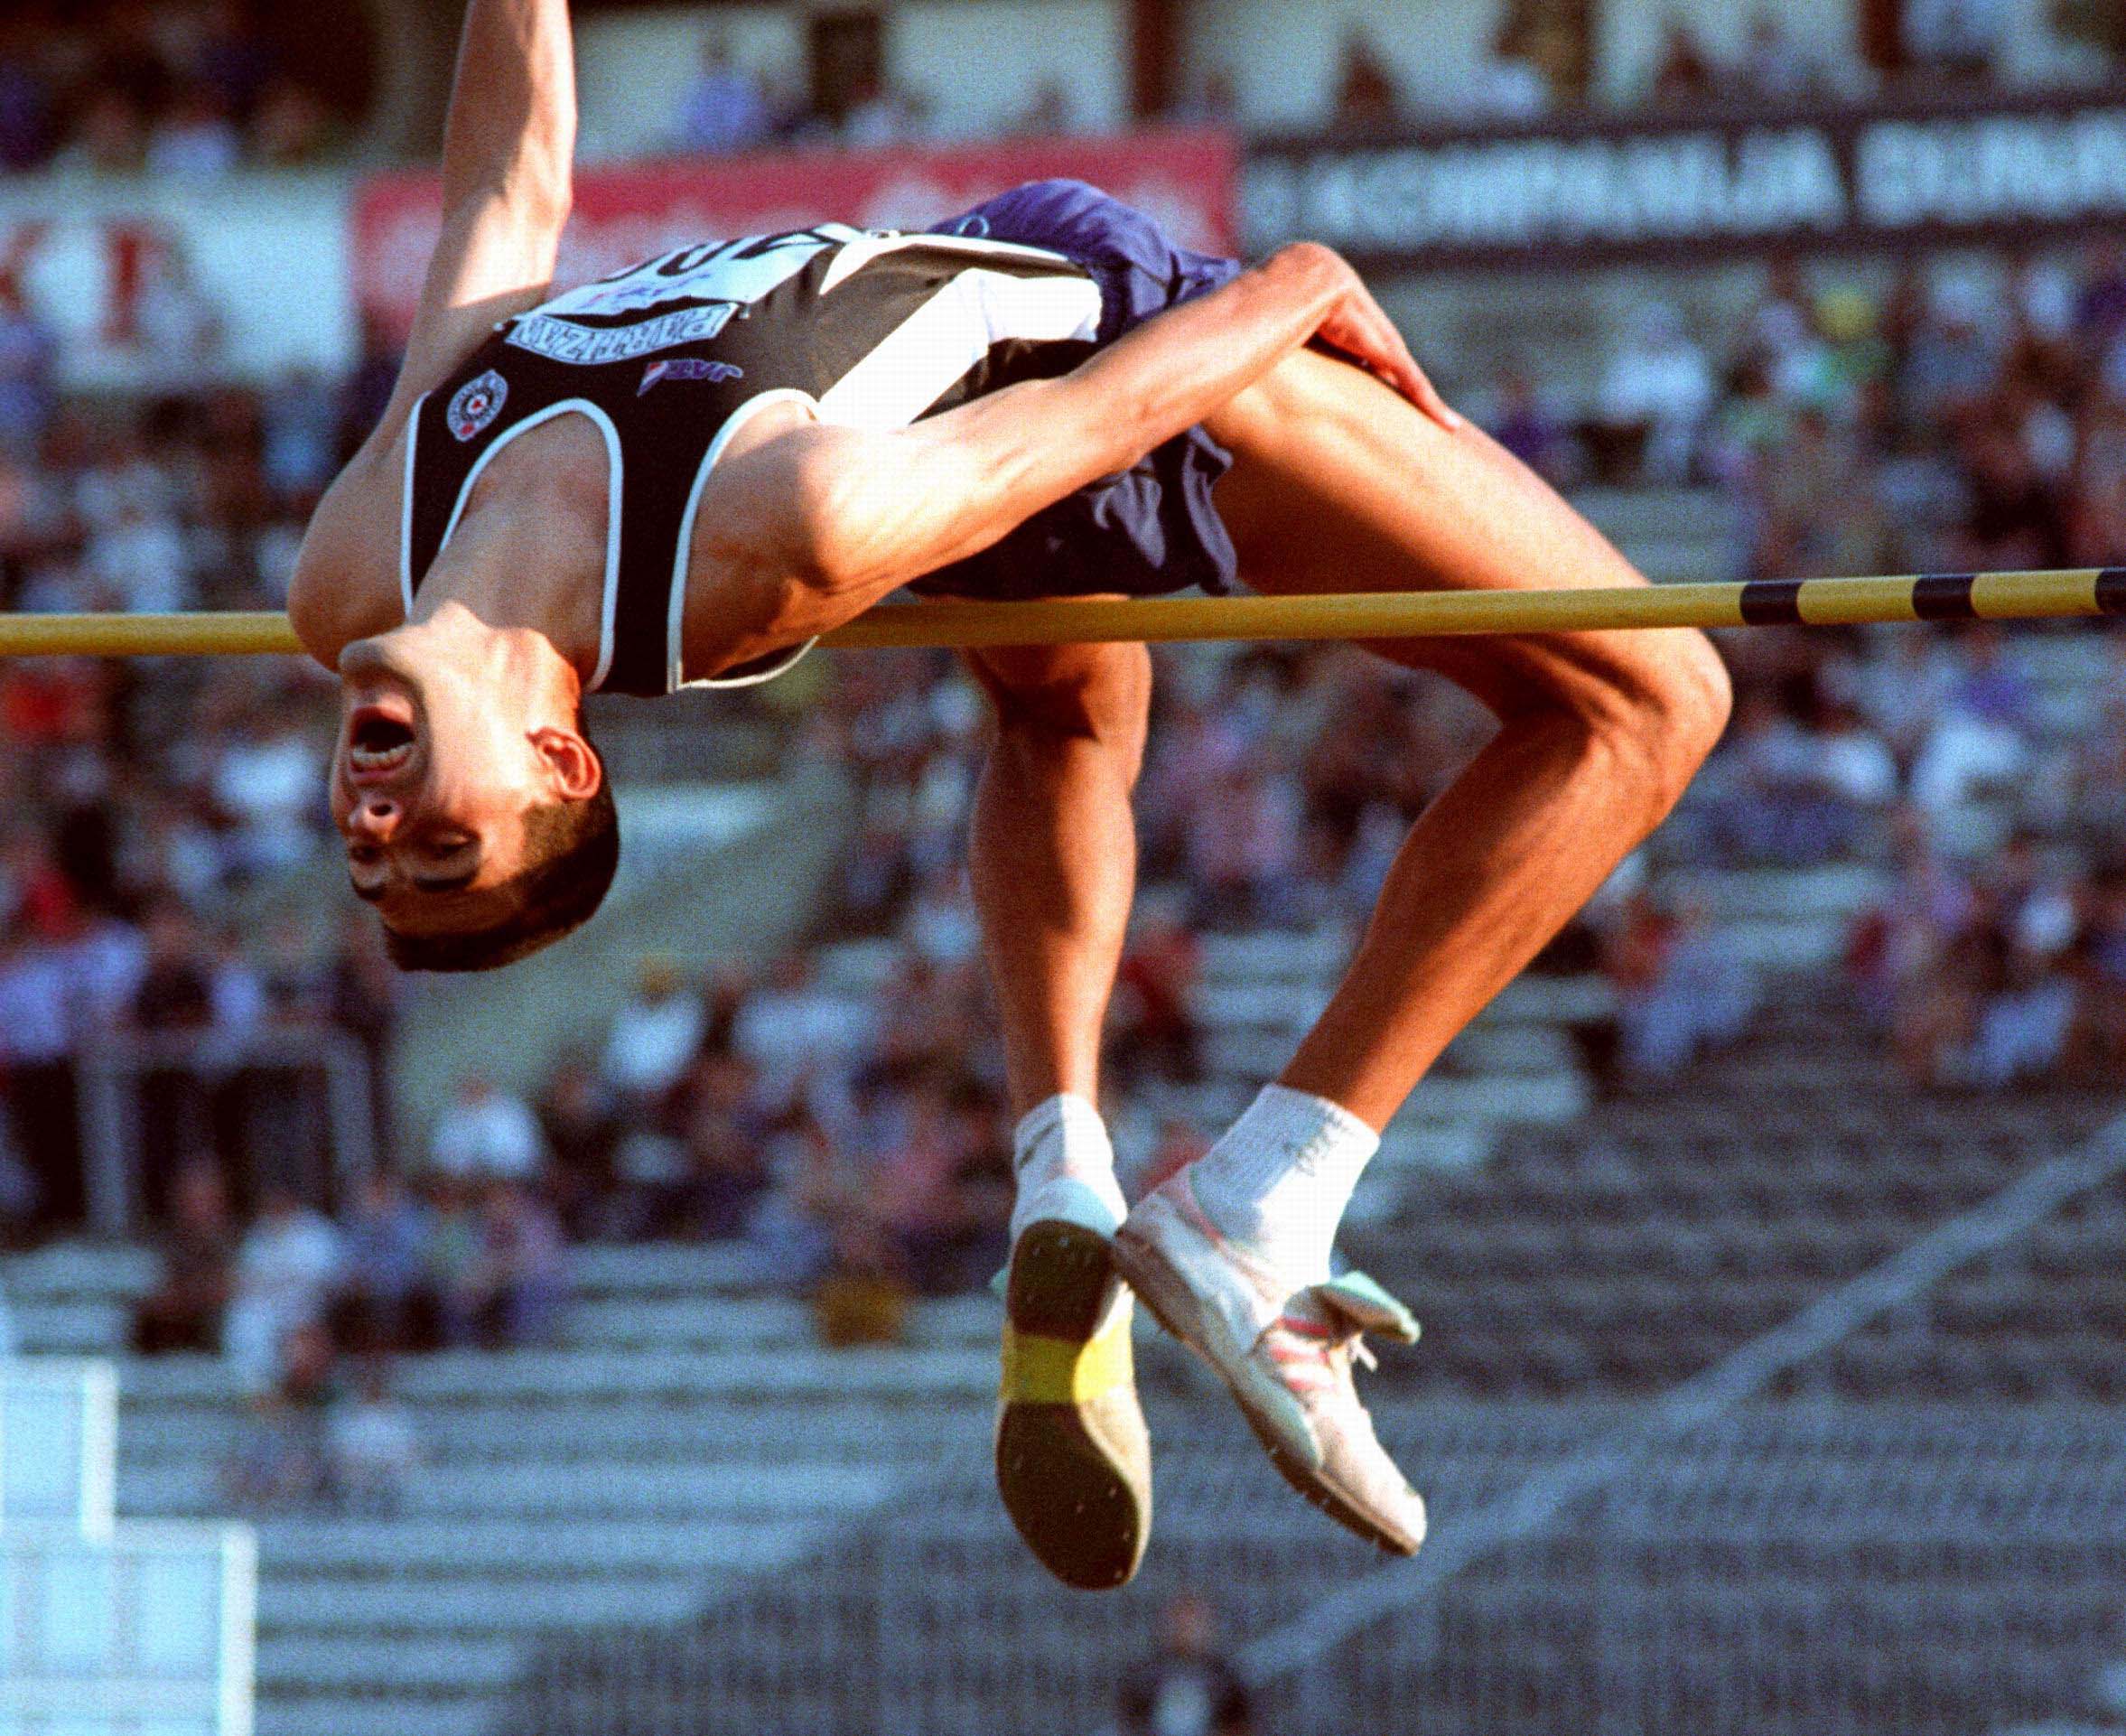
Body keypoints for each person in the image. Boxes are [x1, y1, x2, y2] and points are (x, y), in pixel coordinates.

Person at [288, 0, 1730, 1591]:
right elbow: (1088, 422)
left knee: (1064, 716)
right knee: (1654, 696)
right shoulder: (785, 523)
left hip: (964, 392)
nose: (374, 828)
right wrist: (1292, 283)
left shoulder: (359, 558)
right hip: (1105, 366)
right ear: (561, 759)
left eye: (376, 858)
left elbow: (508, 178)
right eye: (442, 845)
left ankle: (1064, 1170)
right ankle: (1269, 1197)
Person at [1118, 1594, 1253, 1736]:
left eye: (1193, 1623)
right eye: (1180, 1624)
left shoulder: (1226, 1678)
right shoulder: (1144, 1677)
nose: (1186, 1631)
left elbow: (1240, 1726)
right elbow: (1131, 1724)